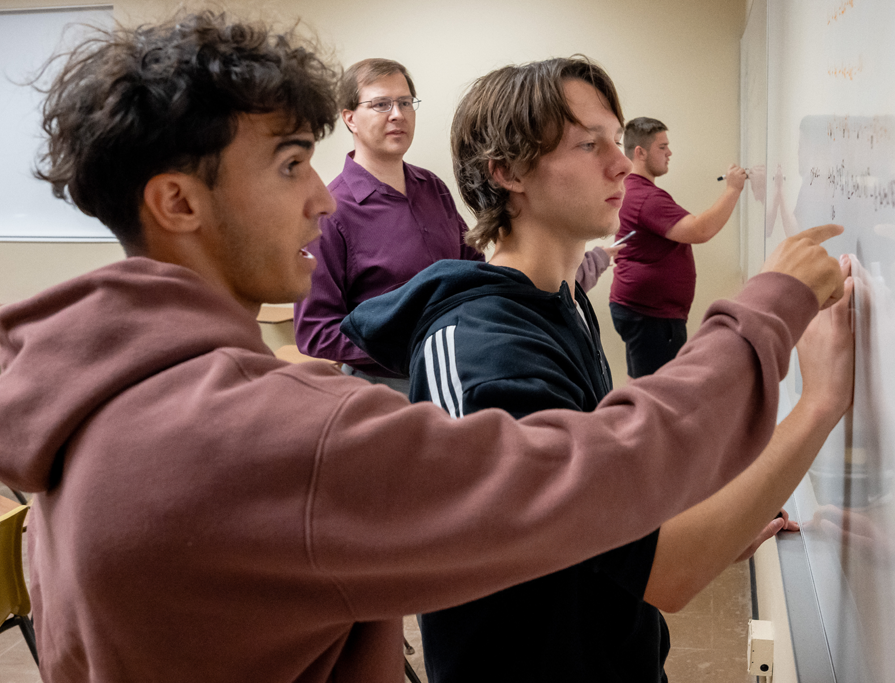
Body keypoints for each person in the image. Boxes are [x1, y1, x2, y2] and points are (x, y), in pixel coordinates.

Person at [0, 12, 849, 683]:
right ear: (179, 203)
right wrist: (770, 316)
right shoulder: (262, 435)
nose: (325, 204)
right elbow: (597, 474)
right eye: (293, 165)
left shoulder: (96, 386)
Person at [342, 58, 853, 682]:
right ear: (505, 172)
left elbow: (616, 500)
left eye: (616, 139)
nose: (621, 163)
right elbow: (665, 567)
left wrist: (725, 516)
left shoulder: (564, 299)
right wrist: (820, 402)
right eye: (589, 144)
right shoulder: (480, 354)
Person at [292, 58, 614, 391]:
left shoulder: (432, 187)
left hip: (463, 358)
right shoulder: (331, 212)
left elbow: (472, 270)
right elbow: (315, 332)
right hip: (386, 385)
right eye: (380, 104)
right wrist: (421, 342)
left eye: (405, 102)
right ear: (350, 119)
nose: (397, 114)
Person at [609, 116, 748, 378]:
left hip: (640, 308)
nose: (669, 152)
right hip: (651, 315)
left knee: (644, 383)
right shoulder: (647, 198)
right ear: (640, 152)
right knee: (656, 393)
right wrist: (733, 189)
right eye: (662, 147)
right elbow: (700, 230)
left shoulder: (631, 189)